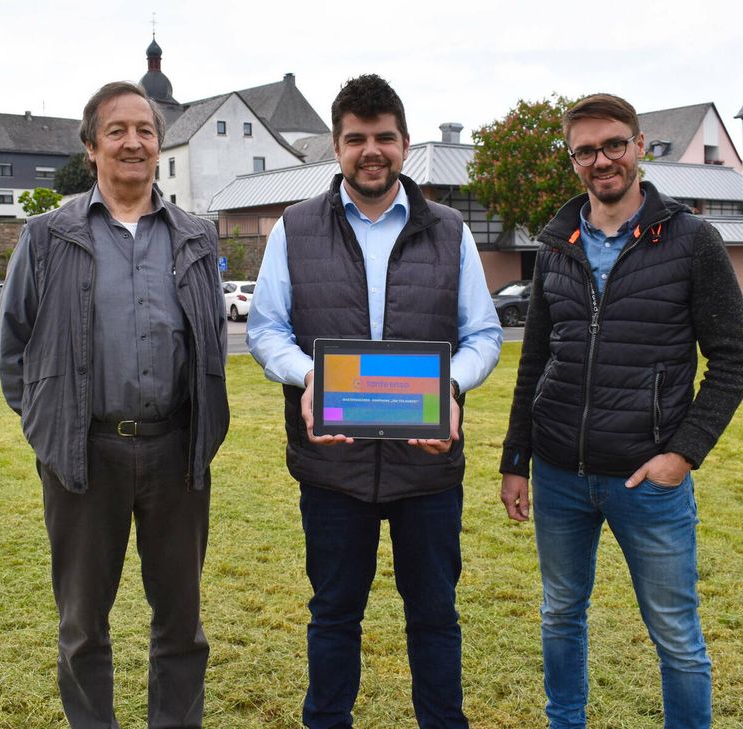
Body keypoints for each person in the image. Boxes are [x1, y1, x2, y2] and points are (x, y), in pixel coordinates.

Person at [246, 74, 503, 729]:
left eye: (383, 137)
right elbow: (266, 327)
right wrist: (311, 380)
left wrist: (449, 387)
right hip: (333, 463)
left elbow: (481, 335)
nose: (371, 150)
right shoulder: (294, 228)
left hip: (427, 463)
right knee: (333, 613)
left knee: (434, 616)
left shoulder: (448, 230)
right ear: (335, 147)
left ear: (405, 144)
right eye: (355, 138)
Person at [498, 93, 743, 729]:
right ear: (573, 159)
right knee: (561, 613)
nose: (601, 160)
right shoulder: (556, 244)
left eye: (614, 144)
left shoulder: (692, 240)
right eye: (584, 150)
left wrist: (683, 453)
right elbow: (535, 362)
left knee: (674, 634)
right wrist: (515, 459)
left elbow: (733, 362)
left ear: (640, 146)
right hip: (560, 475)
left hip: (648, 479)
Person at [0, 81, 229, 729]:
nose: (133, 141)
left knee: (181, 624)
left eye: (145, 130)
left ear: (159, 144)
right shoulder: (48, 237)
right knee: (82, 626)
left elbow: (210, 341)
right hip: (83, 456)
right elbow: (14, 346)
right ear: (91, 146)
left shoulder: (197, 238)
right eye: (117, 130)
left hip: (176, 453)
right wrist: (51, 432)